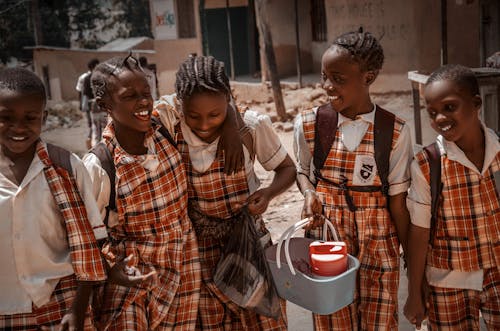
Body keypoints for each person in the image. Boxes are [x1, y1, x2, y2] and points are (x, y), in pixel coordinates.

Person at [154, 55, 294, 330]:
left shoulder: (251, 128)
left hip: (251, 247)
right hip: (200, 257)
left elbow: (287, 169)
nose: (205, 124)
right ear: (181, 106)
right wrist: (228, 116)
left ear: (228, 98)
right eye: (194, 116)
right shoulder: (171, 126)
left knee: (263, 322)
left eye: (215, 115)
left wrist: (267, 194)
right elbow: (159, 107)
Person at [293, 28, 413, 330]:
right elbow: (302, 172)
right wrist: (309, 193)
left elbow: (398, 203)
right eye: (324, 77)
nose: (327, 86)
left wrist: (412, 259)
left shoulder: (394, 131)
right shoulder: (310, 123)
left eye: (339, 79)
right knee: (332, 320)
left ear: (368, 77)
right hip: (328, 241)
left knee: (380, 321)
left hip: (379, 247)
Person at [82, 54, 204, 331]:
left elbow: (208, 96)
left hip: (183, 263)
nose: (144, 102)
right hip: (131, 276)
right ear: (105, 106)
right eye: (130, 96)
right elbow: (85, 235)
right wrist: (110, 268)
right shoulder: (100, 165)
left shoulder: (165, 125)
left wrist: (234, 125)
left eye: (146, 92)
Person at [0, 67, 107, 330]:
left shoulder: (67, 167)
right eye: (6, 117)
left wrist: (79, 308)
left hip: (60, 307)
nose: (18, 127)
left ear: (44, 117)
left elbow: (88, 245)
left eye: (30, 117)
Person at [404, 64, 499, 330]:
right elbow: (419, 232)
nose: (440, 119)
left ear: (476, 103)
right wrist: (414, 291)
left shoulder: (499, 150)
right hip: (449, 282)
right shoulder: (428, 163)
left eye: (449, 107)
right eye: (432, 113)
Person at [76, 58, 99, 149]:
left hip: (93, 104)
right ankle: (90, 145)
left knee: (95, 125)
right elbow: (80, 91)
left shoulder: (98, 76)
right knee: (91, 125)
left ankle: (92, 144)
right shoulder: (84, 78)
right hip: (90, 105)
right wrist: (81, 104)